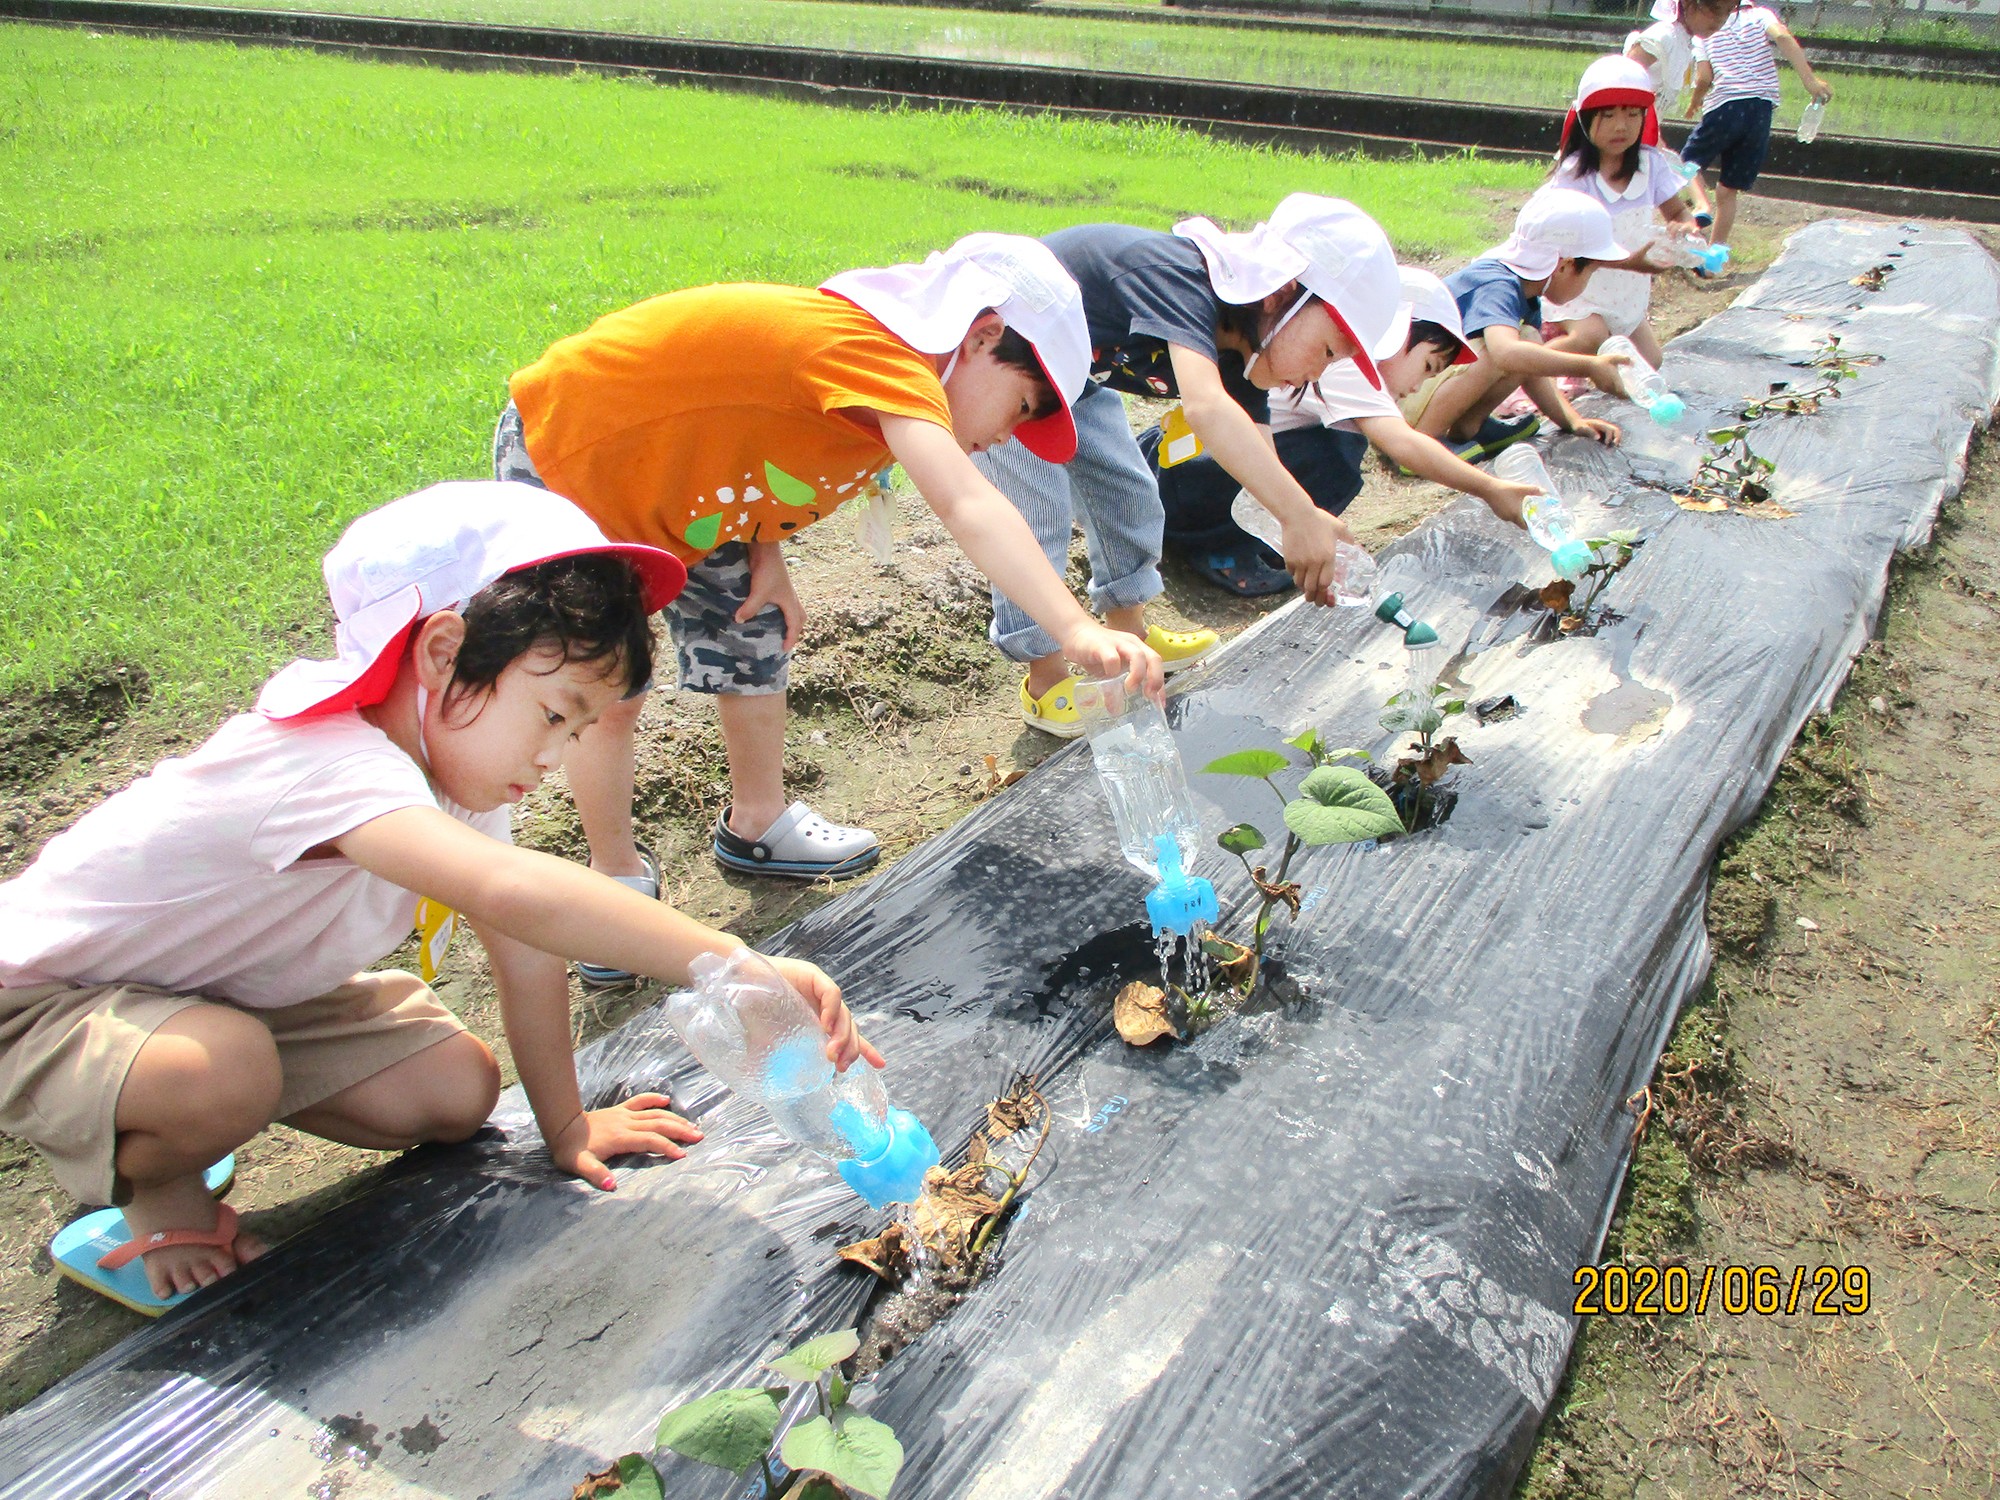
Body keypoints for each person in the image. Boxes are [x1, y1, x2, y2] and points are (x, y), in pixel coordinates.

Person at [0, 482, 879, 1312]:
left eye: (576, 732)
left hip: (220, 995)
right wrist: (737, 966)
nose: (555, 756)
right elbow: (517, 893)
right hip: (42, 1004)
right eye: (552, 716)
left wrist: (566, 1125)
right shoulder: (324, 763)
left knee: (456, 1093)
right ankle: (163, 1190)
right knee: (216, 1073)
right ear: (443, 652)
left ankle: (181, 1099)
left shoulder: (451, 774)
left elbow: (523, 940)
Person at [495, 235, 1163, 937]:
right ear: (982, 337)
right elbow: (969, 505)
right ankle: (613, 880)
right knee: (602, 688)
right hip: (577, 465)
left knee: (754, 631)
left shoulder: (888, 386)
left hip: (696, 495)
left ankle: (757, 823)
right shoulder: (881, 358)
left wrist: (767, 551)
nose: (1008, 436)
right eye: (1023, 407)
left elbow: (747, 427)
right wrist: (1076, 628)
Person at [975, 194, 1404, 734]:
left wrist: (1307, 518)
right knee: (1036, 515)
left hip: (1080, 381)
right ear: (1282, 294)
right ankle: (1046, 680)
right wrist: (1297, 516)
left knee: (1129, 491)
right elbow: (1205, 409)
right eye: (1326, 350)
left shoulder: (1240, 352)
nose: (1315, 375)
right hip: (1010, 371)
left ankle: (1129, 636)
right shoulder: (1180, 275)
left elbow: (1257, 457)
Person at [1140, 267, 1544, 594]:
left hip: (1186, 471)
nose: (1419, 386)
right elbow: (1403, 444)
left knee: (1339, 452)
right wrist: (1491, 489)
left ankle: (1259, 538)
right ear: (1401, 333)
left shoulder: (1341, 365)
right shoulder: (1345, 365)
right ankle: (1220, 546)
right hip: (1184, 478)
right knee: (1335, 460)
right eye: (1426, 367)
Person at [1403, 189, 1630, 457]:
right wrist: (1589, 366)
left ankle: (1469, 426)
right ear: (1565, 266)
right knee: (1512, 347)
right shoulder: (1498, 284)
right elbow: (1507, 354)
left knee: (1528, 343)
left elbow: (1532, 370)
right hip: (1404, 393)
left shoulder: (1528, 291)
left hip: (1423, 388)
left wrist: (1572, 422)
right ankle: (1424, 443)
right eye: (1591, 272)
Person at [1543, 55, 1705, 369]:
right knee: (1590, 336)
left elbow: (1678, 213)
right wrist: (1632, 262)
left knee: (1650, 362)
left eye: (1633, 115)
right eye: (1608, 115)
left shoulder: (1650, 165)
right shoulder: (1575, 175)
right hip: (1582, 288)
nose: (1621, 126)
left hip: (1625, 294)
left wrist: (1685, 229)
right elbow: (1566, 248)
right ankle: (1526, 370)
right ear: (1585, 119)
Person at [1682, 0, 1834, 250]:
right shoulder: (1761, 15)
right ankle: (1714, 258)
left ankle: (1702, 205)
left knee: (1686, 164)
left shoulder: (1705, 28)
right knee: (1728, 189)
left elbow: (1704, 78)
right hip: (1760, 111)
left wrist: (1694, 102)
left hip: (1724, 106)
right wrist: (1809, 80)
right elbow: (1782, 36)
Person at [1625, 0, 1739, 224]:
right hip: (1622, 132)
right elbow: (1622, 73)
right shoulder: (1664, 35)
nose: (1720, 20)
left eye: (1728, 12)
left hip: (1640, 133)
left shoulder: (1684, 42)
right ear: (1687, 3)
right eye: (1715, 9)